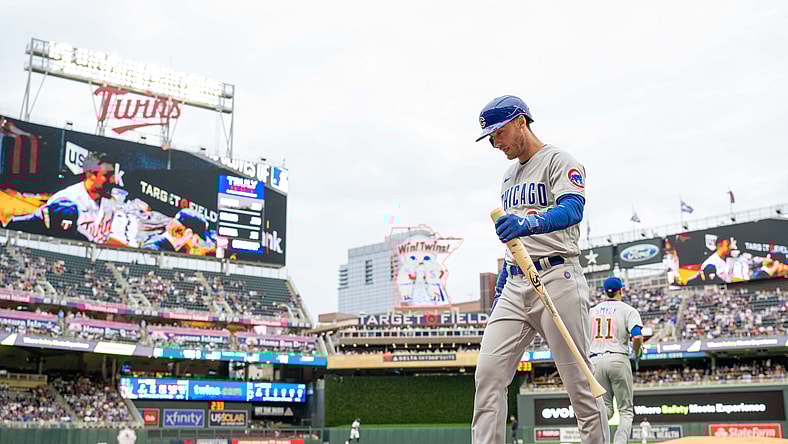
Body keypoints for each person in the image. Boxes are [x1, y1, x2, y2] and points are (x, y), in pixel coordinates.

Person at [472, 95, 608, 444]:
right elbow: (514, 241)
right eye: (491, 138)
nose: (496, 143)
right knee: (488, 374)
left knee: (580, 382)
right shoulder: (508, 177)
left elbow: (573, 209)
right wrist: (503, 282)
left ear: (521, 122)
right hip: (516, 282)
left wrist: (529, 224)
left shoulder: (558, 160)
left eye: (499, 133)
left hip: (557, 275)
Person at [590, 277, 644, 444]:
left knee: (605, 409)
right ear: (621, 290)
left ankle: (594, 439)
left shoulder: (592, 311)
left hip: (595, 361)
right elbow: (637, 337)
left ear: (605, 292)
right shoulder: (628, 310)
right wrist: (637, 351)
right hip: (618, 358)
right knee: (625, 411)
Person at [141, 209, 209, 254]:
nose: (195, 245)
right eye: (197, 240)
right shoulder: (154, 249)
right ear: (188, 234)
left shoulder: (162, 246)